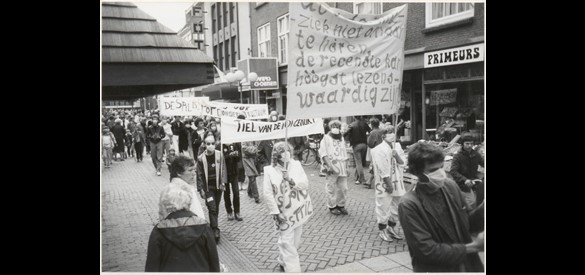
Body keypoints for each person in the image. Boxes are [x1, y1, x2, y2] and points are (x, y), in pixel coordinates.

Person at [398, 142, 484, 272]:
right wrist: (474, 247)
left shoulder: (450, 186)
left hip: (466, 266)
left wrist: (483, 209)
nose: (440, 173)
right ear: (418, 173)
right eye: (433, 170)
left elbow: (467, 224)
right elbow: (426, 251)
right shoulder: (409, 204)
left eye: (442, 167)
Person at [262, 142, 313, 273]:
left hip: (298, 210)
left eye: (288, 151)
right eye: (283, 152)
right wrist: (275, 212)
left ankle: (282, 260)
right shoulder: (269, 171)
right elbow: (267, 194)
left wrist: (290, 180)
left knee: (294, 243)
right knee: (288, 244)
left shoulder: (296, 165)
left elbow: (305, 183)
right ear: (277, 155)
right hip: (282, 213)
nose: (287, 154)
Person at [145, 186, 219, 272]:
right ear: (188, 203)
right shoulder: (204, 226)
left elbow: (151, 267)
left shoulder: (159, 230)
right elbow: (214, 262)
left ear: (168, 205)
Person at [371, 128, 406, 242]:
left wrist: (396, 156)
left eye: (393, 132)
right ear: (383, 136)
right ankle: (383, 229)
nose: (392, 135)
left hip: (397, 180)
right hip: (384, 182)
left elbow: (403, 163)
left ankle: (391, 227)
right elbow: (382, 168)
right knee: (383, 205)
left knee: (397, 205)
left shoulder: (397, 147)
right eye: (389, 133)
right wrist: (388, 183)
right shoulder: (378, 150)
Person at [196, 135, 227, 243]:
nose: (211, 146)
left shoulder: (219, 155)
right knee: (212, 207)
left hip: (218, 186)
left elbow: (223, 169)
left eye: (213, 143)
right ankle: (215, 229)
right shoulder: (201, 158)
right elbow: (199, 174)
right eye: (208, 144)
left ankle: (214, 224)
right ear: (204, 145)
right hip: (208, 187)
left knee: (216, 207)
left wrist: (223, 182)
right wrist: (200, 189)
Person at [319, 120, 350, 215]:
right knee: (331, 187)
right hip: (332, 166)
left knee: (343, 187)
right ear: (330, 127)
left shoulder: (341, 138)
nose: (336, 128)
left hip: (342, 166)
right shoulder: (326, 138)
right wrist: (329, 166)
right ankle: (332, 206)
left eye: (337, 126)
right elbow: (323, 153)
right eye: (334, 126)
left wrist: (347, 166)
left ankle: (341, 205)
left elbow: (344, 152)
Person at [449, 133, 485, 209]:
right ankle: (464, 218)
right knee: (471, 202)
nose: (469, 145)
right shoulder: (458, 156)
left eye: (471, 144)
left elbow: (483, 163)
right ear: (462, 144)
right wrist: (464, 180)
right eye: (467, 143)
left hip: (473, 181)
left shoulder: (475, 154)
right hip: (462, 184)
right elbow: (453, 171)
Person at [344, 116, 371, 185]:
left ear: (354, 117)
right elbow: (370, 131)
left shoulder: (352, 124)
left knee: (358, 162)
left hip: (356, 145)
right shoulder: (364, 124)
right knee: (359, 162)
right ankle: (357, 178)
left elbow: (345, 133)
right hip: (364, 145)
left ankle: (362, 179)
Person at [222, 142, 243, 221]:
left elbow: (239, 158)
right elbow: (220, 158)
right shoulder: (220, 146)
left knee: (236, 192)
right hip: (225, 173)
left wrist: (237, 155)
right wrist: (229, 155)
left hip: (234, 173)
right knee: (226, 193)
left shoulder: (235, 145)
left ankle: (237, 211)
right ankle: (229, 211)